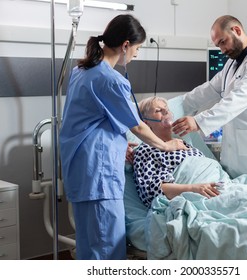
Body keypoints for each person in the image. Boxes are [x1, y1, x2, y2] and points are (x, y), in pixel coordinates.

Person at [59, 15, 187, 260]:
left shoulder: (81, 71)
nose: (137, 55)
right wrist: (166, 145)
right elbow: (138, 126)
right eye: (137, 49)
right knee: (107, 249)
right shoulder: (110, 80)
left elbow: (90, 119)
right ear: (126, 45)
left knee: (88, 247)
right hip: (99, 177)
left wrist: (117, 143)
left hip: (81, 169)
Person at [172, 15, 247, 185]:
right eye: (218, 45)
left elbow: (237, 99)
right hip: (236, 151)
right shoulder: (232, 64)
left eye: (223, 42)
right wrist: (174, 105)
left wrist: (198, 121)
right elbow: (209, 89)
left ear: (237, 31)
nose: (222, 50)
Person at [133, 96, 221, 208]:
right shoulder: (146, 150)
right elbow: (151, 191)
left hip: (218, 187)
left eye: (166, 108)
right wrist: (194, 189)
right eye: (158, 110)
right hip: (197, 197)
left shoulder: (183, 143)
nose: (166, 111)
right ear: (146, 123)